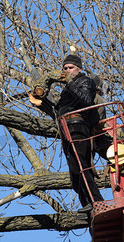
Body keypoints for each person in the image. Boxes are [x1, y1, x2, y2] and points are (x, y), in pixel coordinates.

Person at [28, 54, 104, 216]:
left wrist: (70, 83)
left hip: (78, 126)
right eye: (65, 68)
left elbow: (86, 101)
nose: (67, 70)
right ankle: (88, 206)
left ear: (79, 69)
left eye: (70, 68)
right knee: (75, 173)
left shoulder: (86, 82)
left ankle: (97, 201)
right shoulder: (66, 90)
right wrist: (42, 103)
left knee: (82, 166)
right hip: (66, 129)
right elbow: (59, 111)